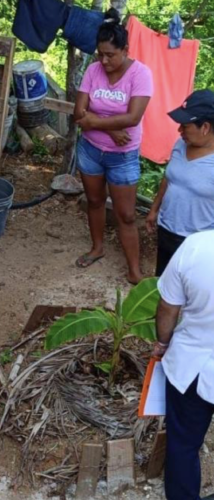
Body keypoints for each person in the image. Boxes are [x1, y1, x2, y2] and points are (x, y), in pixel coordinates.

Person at [74, 8, 153, 284]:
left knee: (127, 215)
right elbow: (78, 114)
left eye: (111, 55)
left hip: (123, 156)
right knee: (94, 201)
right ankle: (97, 248)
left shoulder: (141, 75)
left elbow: (134, 117)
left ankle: (134, 270)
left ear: (125, 50)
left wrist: (93, 120)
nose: (104, 60)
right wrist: (111, 127)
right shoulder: (93, 70)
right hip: (91, 151)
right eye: (100, 54)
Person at [153, 230, 214, 500]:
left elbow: (168, 308)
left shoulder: (196, 246)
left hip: (192, 367)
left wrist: (163, 343)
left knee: (183, 445)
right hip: (195, 367)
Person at [146, 89, 214, 276]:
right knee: (161, 283)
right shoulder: (180, 144)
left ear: (205, 127)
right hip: (167, 230)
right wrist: (154, 210)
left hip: (198, 243)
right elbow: (169, 178)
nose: (179, 130)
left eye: (185, 126)